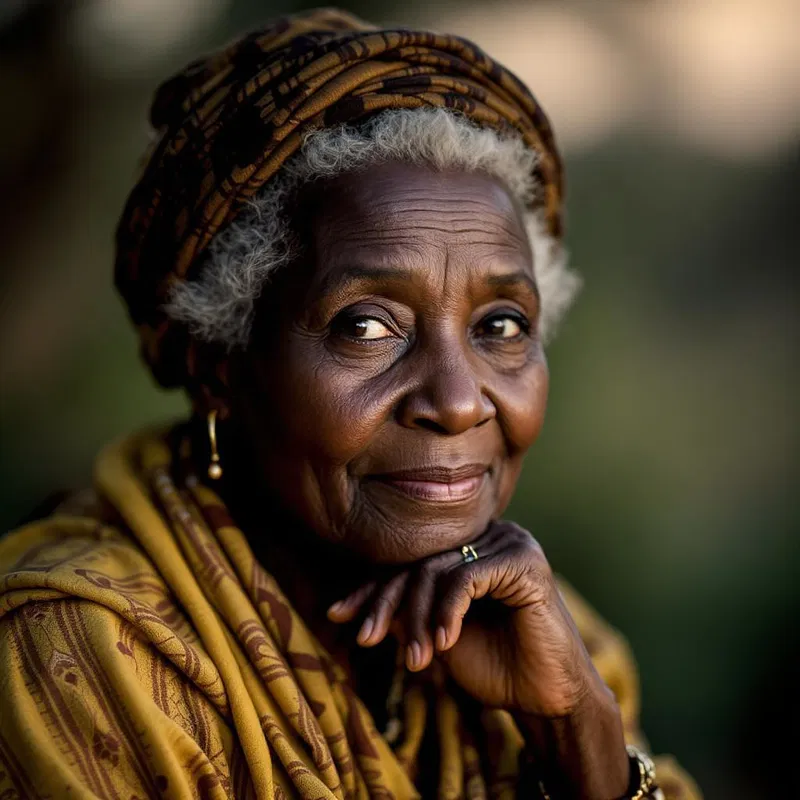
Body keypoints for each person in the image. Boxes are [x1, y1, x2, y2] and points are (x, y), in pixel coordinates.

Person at [0, 9, 701, 799]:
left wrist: (582, 734)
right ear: (219, 368)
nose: (459, 401)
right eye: (367, 326)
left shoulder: (551, 635)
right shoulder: (79, 654)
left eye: (500, 326)